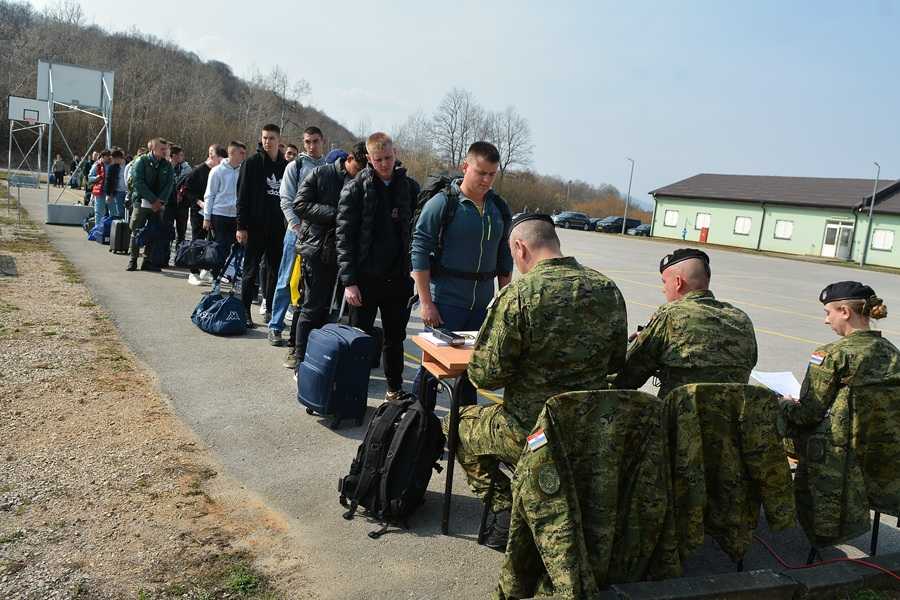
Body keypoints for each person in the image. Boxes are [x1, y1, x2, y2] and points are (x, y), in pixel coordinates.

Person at [453, 213, 628, 550]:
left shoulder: (519, 294)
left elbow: (484, 376)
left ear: (520, 248)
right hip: (590, 430)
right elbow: (617, 362)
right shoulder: (608, 289)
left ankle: (505, 511)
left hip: (532, 433)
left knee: (457, 425)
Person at [780, 281, 900, 546]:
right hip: (881, 456)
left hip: (838, 457)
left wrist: (785, 404)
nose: (826, 320)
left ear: (845, 311)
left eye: (828, 313)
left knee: (777, 422)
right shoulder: (893, 353)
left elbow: (807, 414)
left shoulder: (832, 354)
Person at [410, 141, 513, 408]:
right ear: (465, 167)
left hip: (482, 307)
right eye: (481, 172)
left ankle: (464, 427)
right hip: (445, 303)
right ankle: (416, 423)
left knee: (472, 373)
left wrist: (502, 302)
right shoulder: (443, 203)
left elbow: (505, 257)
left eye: (492, 174)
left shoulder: (498, 208)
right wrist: (426, 303)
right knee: (432, 371)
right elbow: (419, 251)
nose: (486, 180)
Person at [335, 132, 419, 399]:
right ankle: (352, 393)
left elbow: (418, 234)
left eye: (388, 158)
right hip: (364, 279)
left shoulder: (409, 188)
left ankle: (394, 389)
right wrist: (349, 282)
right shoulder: (355, 188)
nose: (384, 163)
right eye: (378, 159)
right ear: (369, 159)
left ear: (396, 154)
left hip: (398, 278)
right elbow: (343, 237)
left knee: (395, 339)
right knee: (359, 338)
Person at [614, 248, 758, 398]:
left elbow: (628, 377)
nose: (663, 290)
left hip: (681, 411)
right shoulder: (742, 319)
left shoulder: (670, 315)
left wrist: (637, 342)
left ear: (678, 282)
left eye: (664, 282)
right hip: (734, 411)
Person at [288, 143, 367, 369]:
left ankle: (321, 355)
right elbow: (299, 205)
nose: (360, 174)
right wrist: (336, 214)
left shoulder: (363, 182)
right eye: (358, 169)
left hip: (345, 253)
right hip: (317, 249)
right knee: (312, 305)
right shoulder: (321, 173)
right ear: (349, 159)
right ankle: (299, 358)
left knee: (332, 310)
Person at [268, 126, 327, 345]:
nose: (311, 146)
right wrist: (295, 226)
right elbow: (285, 199)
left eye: (315, 141)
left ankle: (306, 331)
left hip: (319, 235)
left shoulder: (329, 168)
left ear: (323, 141)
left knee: (313, 284)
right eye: (307, 142)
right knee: (285, 279)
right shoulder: (296, 166)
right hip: (296, 233)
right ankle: (275, 325)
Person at [236, 124, 288, 328]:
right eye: (265, 138)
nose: (267, 141)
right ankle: (245, 310)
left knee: (275, 272)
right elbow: (241, 197)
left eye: (271, 138)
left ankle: (271, 310)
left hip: (277, 228)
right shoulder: (251, 163)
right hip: (254, 227)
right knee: (250, 271)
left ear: (279, 140)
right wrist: (241, 226)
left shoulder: (286, 166)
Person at [126, 138, 174, 272]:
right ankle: (133, 260)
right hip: (141, 202)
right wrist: (153, 200)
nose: (164, 151)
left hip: (158, 205)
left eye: (165, 149)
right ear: (152, 148)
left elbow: (169, 184)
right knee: (136, 230)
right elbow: (138, 182)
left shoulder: (167, 165)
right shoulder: (141, 161)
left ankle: (147, 261)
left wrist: (160, 201)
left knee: (153, 231)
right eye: (162, 149)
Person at [185, 144, 227, 285]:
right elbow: (186, 190)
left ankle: (205, 269)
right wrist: (199, 202)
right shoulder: (197, 171)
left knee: (211, 242)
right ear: (211, 156)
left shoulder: (220, 171)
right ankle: (193, 272)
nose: (221, 164)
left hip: (214, 212)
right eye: (219, 160)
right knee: (197, 240)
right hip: (198, 211)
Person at [203, 141, 246, 277]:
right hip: (219, 214)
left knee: (233, 248)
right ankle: (215, 275)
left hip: (236, 216)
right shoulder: (217, 171)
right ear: (232, 153)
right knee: (220, 246)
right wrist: (206, 217)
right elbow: (210, 195)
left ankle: (224, 273)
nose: (244, 156)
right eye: (241, 153)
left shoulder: (244, 171)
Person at [168, 145, 193, 247]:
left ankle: (179, 252)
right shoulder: (166, 167)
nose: (182, 157)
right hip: (169, 203)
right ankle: (166, 251)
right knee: (168, 230)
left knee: (181, 231)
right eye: (180, 155)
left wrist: (182, 194)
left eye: (182, 155)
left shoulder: (187, 169)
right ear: (174, 156)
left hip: (182, 205)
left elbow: (189, 185)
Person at [88, 149, 112, 221]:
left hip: (110, 192)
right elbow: (89, 178)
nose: (109, 157)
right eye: (108, 156)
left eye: (110, 156)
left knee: (111, 212)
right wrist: (96, 178)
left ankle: (108, 227)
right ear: (103, 156)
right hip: (100, 192)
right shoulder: (97, 165)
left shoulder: (112, 164)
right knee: (99, 212)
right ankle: (98, 227)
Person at [104, 149, 125, 219]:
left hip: (127, 192)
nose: (112, 160)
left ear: (118, 158)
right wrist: (108, 194)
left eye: (113, 158)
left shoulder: (128, 165)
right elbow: (109, 181)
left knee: (127, 212)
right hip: (118, 191)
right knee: (119, 212)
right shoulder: (112, 167)